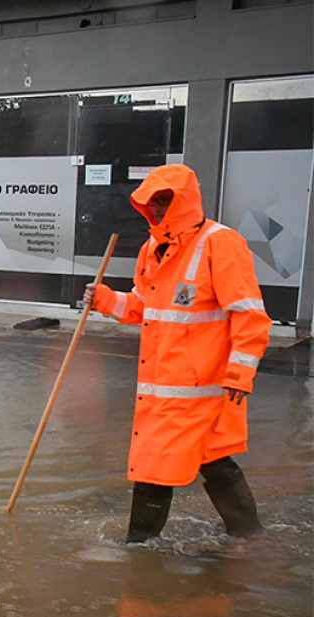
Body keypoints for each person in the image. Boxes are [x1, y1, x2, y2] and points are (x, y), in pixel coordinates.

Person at [83, 163, 271, 543]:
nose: (155, 210)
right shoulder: (153, 248)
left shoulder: (221, 243)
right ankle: (251, 539)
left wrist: (240, 373)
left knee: (155, 465)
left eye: (164, 201)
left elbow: (249, 315)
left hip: (201, 387)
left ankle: (138, 549)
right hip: (167, 387)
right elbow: (142, 306)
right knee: (213, 460)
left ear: (183, 201)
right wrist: (104, 299)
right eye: (151, 202)